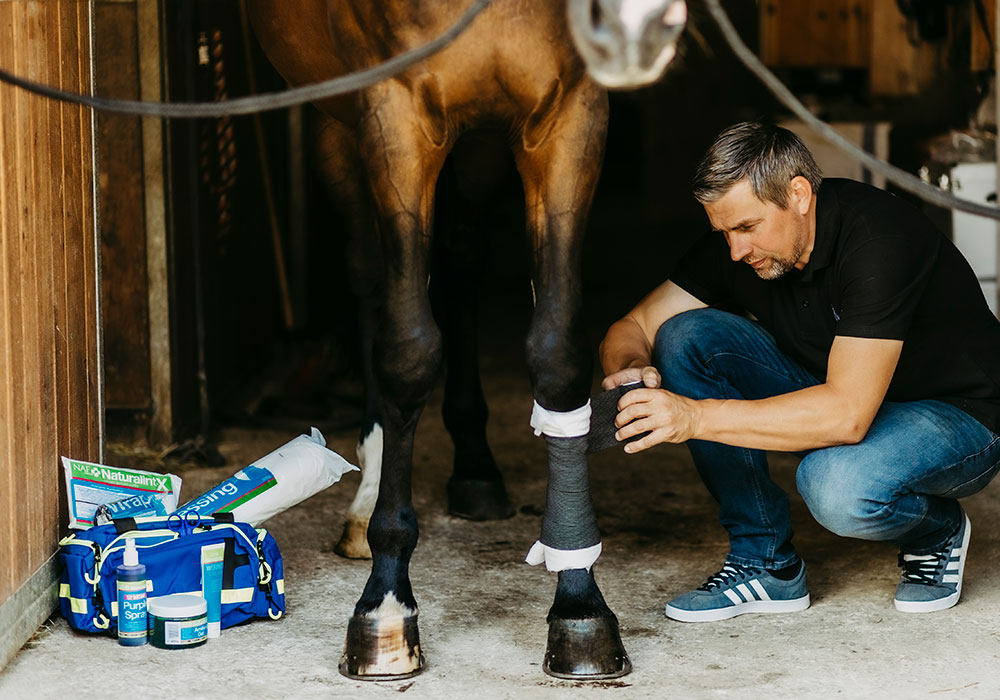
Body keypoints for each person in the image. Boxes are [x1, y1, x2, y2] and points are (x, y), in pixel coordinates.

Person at [599, 121, 1000, 622]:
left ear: (799, 194)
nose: (735, 251)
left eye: (746, 227)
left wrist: (694, 418)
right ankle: (765, 563)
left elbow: (847, 416)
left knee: (835, 486)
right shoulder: (742, 249)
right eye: (723, 232)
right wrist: (631, 369)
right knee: (684, 336)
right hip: (841, 388)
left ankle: (935, 529)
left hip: (958, 415)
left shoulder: (879, 239)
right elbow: (633, 325)